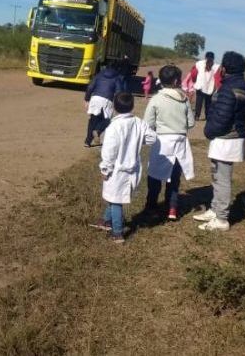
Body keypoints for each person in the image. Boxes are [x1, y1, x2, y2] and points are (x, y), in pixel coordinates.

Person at [193, 51, 245, 232]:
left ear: (225, 69)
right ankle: (215, 209)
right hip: (231, 138)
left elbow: (222, 117)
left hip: (226, 140)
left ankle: (221, 219)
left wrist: (208, 130)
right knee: (217, 175)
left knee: (222, 179)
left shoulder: (228, 88)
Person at [90, 92, 157, 243]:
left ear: (114, 107)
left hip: (117, 170)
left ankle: (118, 232)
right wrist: (139, 140)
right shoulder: (139, 123)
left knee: (115, 200)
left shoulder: (114, 127)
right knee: (115, 197)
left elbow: (109, 152)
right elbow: (152, 138)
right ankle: (106, 220)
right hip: (133, 169)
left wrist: (105, 169)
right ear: (132, 106)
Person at [143, 65, 195, 220]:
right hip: (180, 142)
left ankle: (151, 206)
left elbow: (148, 122)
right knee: (174, 177)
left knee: (155, 175)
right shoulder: (184, 99)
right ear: (176, 80)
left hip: (162, 141)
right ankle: (172, 207)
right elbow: (191, 123)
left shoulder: (157, 99)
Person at [83, 62, 126, 147]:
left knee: (92, 120)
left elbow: (90, 87)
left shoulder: (99, 75)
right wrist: (117, 104)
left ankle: (87, 142)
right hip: (107, 100)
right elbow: (118, 92)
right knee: (107, 120)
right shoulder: (117, 77)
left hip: (95, 98)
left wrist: (87, 99)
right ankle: (98, 131)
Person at [190, 51, 221, 120]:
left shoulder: (198, 63)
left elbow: (193, 73)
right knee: (208, 103)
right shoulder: (216, 66)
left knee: (199, 102)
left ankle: (197, 116)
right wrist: (218, 88)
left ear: (205, 57)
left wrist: (195, 81)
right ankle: (207, 116)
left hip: (200, 86)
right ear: (214, 58)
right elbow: (218, 78)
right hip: (210, 87)